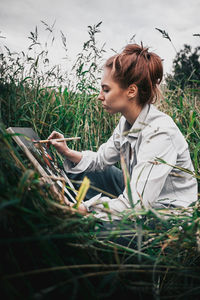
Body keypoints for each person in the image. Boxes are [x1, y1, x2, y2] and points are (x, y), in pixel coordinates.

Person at [48, 43, 198, 221]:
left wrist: (85, 209)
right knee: (87, 172)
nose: (100, 96)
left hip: (166, 215)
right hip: (140, 196)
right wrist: (67, 152)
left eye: (106, 89)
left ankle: (75, 214)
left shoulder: (160, 133)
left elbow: (136, 207)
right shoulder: (126, 122)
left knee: (95, 230)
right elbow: (100, 160)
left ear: (131, 91)